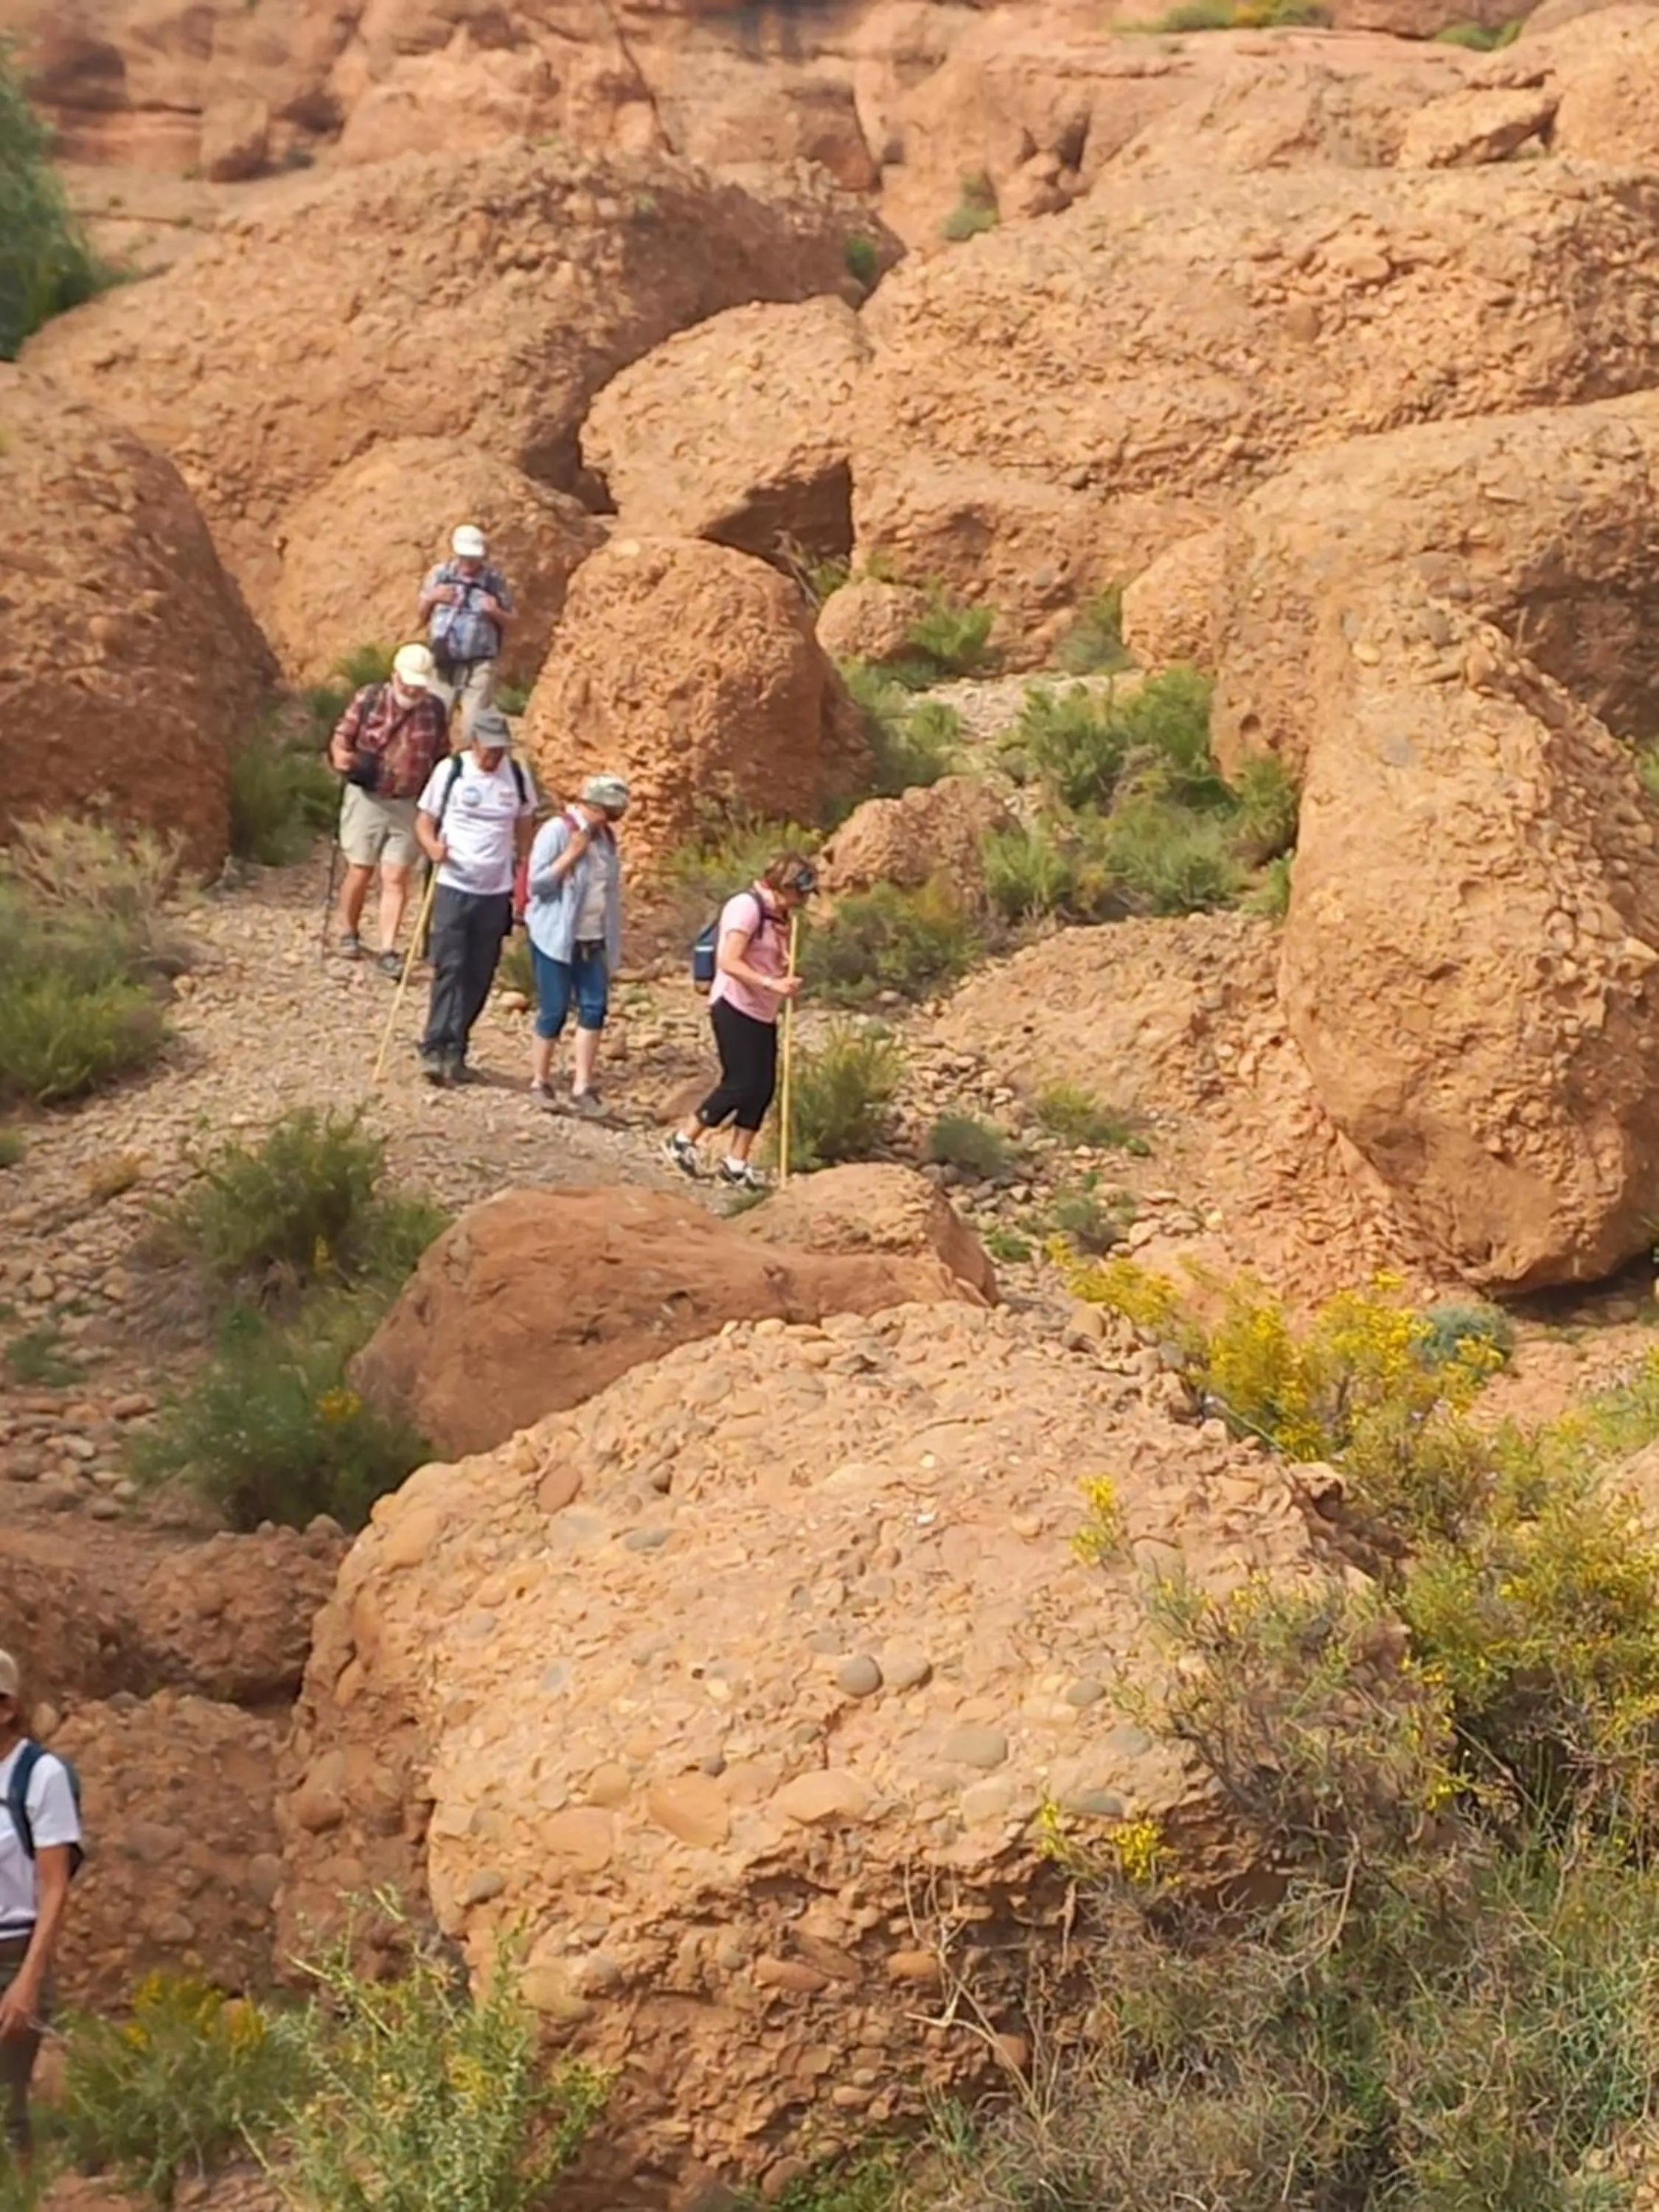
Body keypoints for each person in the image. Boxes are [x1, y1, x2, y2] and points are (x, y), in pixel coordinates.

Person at [664, 852, 815, 1189]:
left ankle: (736, 1163)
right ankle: (683, 1140)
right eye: (800, 893)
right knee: (740, 1082)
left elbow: (771, 957)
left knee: (762, 1087)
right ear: (785, 885)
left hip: (763, 1010)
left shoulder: (781, 917)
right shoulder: (746, 907)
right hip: (735, 1005)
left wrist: (784, 972)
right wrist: (771, 983)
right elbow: (729, 961)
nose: (803, 902)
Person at [414, 705, 536, 1086]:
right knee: (450, 966)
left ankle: (458, 1046)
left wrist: (524, 873)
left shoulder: (517, 776)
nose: (494, 756)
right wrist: (432, 847)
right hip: (453, 884)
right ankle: (435, 1045)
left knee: (480, 972)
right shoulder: (452, 770)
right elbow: (424, 821)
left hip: (495, 891)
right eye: (489, 748)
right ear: (474, 741)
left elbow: (525, 824)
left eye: (500, 749)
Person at [327, 642, 451, 974]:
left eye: (418, 686)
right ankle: (348, 931)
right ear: (395, 676)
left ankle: (387, 948)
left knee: (396, 876)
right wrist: (342, 759)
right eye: (408, 684)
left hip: (409, 802)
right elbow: (342, 738)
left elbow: (441, 754)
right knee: (360, 869)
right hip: (367, 798)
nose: (412, 691)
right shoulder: (369, 699)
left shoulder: (435, 710)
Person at [0, 1652, 79, 2168]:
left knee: (8, 2110)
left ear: (6, 1708)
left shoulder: (40, 1776)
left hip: (13, 1952)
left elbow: (55, 1886)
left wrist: (27, 1981)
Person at [525, 773, 630, 1116]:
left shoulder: (606, 838)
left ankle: (582, 1086)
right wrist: (570, 855)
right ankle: (540, 1081)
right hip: (556, 937)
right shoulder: (558, 831)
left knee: (594, 1007)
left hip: (593, 937)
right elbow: (537, 885)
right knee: (554, 1009)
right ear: (594, 806)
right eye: (609, 812)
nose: (612, 819)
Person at [417, 524, 514, 734]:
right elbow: (422, 616)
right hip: (444, 661)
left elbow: (511, 621)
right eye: (465, 558)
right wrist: (432, 598)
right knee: (435, 721)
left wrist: (495, 612)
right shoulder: (440, 575)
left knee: (474, 725)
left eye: (474, 558)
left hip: (479, 664)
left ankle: (470, 753)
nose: (469, 563)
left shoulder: (494, 581)